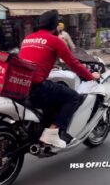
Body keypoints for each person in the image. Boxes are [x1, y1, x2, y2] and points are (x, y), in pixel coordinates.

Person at [19, 10, 100, 148]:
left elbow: (35, 59)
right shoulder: (55, 40)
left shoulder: (28, 38)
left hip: (20, 84)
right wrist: (90, 76)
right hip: (36, 87)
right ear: (54, 26)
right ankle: (51, 133)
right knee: (73, 97)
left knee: (55, 93)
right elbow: (73, 63)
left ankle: (44, 127)